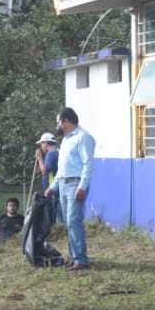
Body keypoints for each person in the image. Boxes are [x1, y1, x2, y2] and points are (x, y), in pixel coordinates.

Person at [47, 107, 94, 271]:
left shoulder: (83, 137)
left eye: (58, 122)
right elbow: (62, 167)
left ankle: (81, 259)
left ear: (66, 121)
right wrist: (53, 186)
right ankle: (75, 257)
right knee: (68, 223)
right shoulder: (66, 139)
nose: (57, 125)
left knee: (74, 221)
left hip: (75, 184)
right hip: (64, 184)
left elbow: (88, 164)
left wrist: (83, 186)